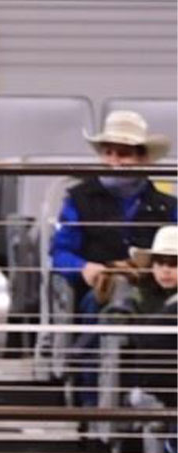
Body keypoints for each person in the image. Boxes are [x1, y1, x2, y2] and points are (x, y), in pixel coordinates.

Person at [49, 110, 175, 404]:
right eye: (109, 153)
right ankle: (97, 404)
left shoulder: (166, 206)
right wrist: (84, 268)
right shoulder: (79, 199)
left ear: (142, 159)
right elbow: (60, 252)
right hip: (98, 289)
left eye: (124, 154)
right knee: (109, 302)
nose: (114, 162)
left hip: (157, 288)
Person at [104, 225, 178, 416]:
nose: (165, 270)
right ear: (152, 266)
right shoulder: (138, 295)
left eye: (173, 263)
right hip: (150, 378)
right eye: (160, 263)